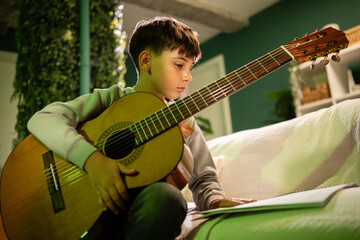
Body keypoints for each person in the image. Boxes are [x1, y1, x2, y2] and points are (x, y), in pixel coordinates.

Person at [27, 16, 255, 239]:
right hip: (86, 208)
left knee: (169, 198)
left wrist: (216, 200)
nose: (188, 76)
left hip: (135, 214)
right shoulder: (113, 98)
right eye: (179, 65)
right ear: (146, 61)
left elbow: (204, 180)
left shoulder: (185, 122)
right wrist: (92, 161)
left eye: (190, 67)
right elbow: (43, 119)